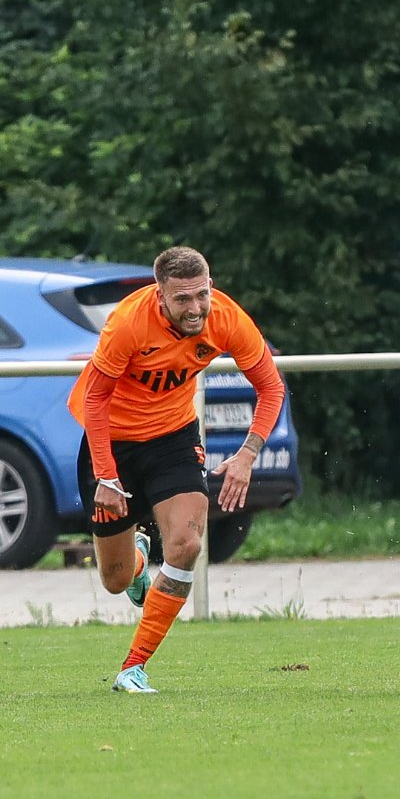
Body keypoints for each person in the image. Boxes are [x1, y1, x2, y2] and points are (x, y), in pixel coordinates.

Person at [68, 245, 285, 694]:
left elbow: (270, 386)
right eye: (182, 299)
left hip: (173, 439)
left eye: (202, 294)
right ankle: (137, 561)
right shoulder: (128, 323)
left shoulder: (227, 317)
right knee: (115, 580)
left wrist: (247, 454)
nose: (195, 308)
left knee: (187, 545)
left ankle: (134, 667)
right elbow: (95, 398)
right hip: (112, 441)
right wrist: (106, 474)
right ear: (160, 295)